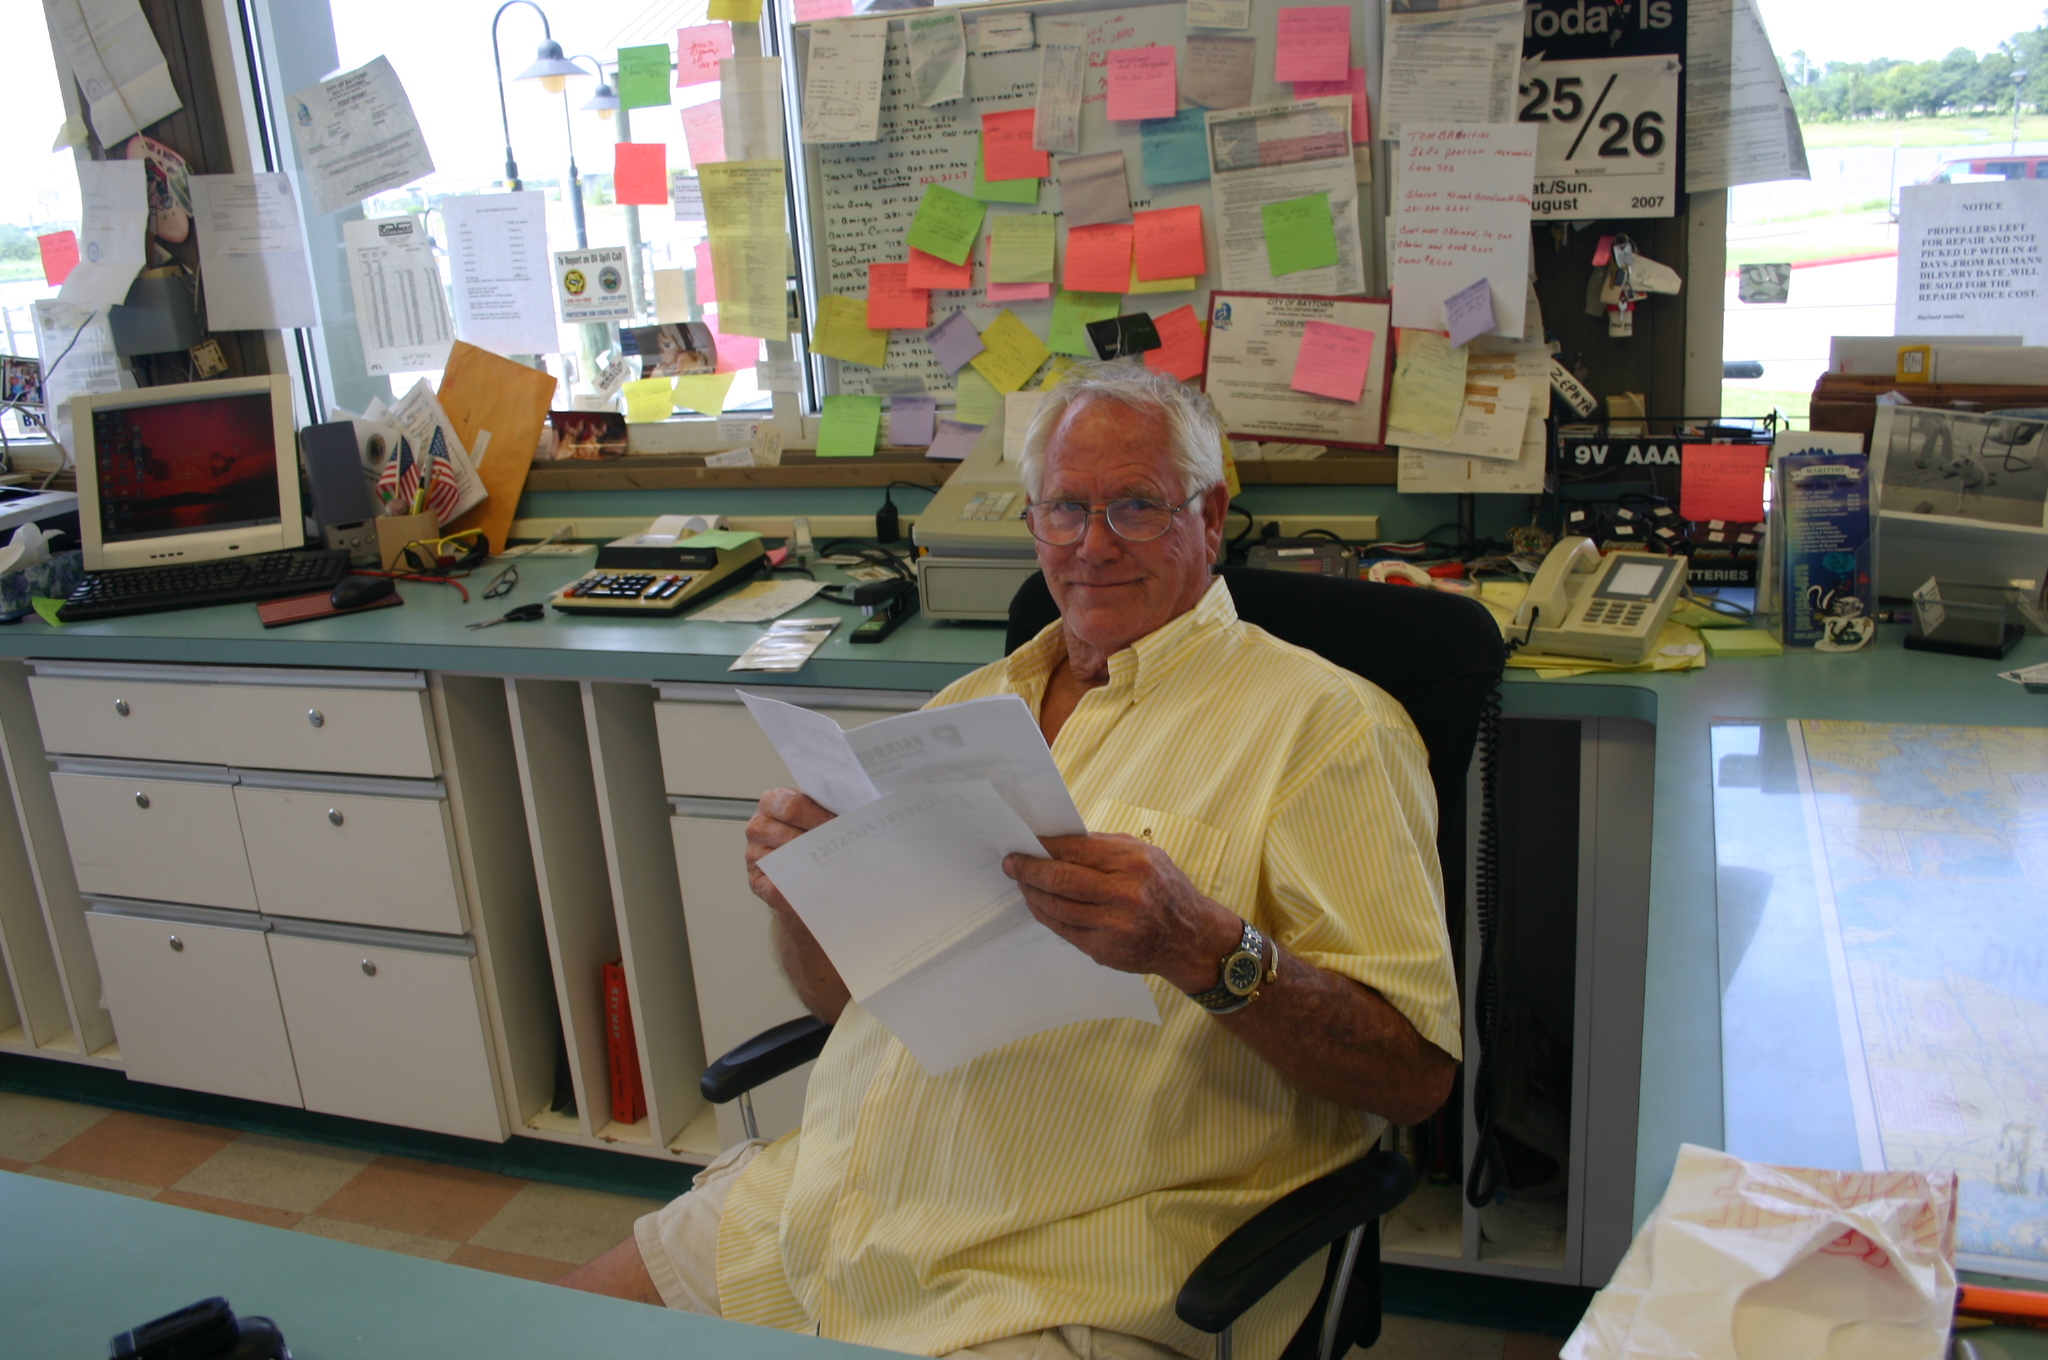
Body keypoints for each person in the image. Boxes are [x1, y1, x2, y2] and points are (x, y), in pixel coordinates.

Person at [560, 363, 1461, 1360]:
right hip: (822, 1215)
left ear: (1208, 518)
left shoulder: (1327, 729)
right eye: (1064, 508)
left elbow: (1412, 1076)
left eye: (1135, 507)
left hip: (1063, 1273)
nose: (1092, 545)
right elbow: (845, 1004)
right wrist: (805, 898)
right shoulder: (962, 712)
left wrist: (1203, 948)